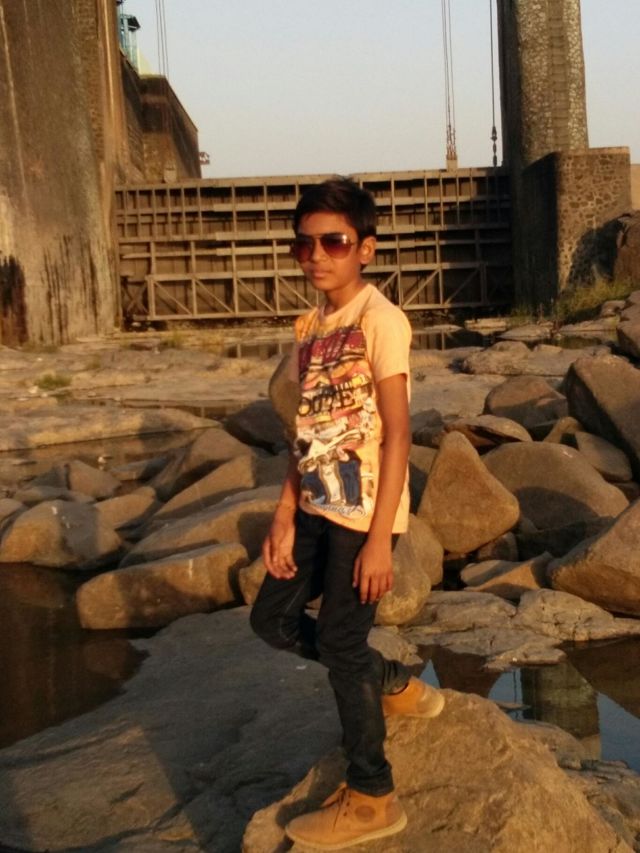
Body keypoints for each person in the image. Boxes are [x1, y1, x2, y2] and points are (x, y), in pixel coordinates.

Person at [250, 176, 444, 850]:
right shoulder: (309, 327)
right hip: (313, 505)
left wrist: (383, 539)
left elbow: (398, 433)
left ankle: (371, 794)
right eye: (304, 244)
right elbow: (303, 432)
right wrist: (284, 512)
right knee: (271, 619)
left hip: (362, 516)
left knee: (337, 642)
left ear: (365, 247)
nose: (316, 255)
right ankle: (386, 678)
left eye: (333, 242)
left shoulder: (379, 320)